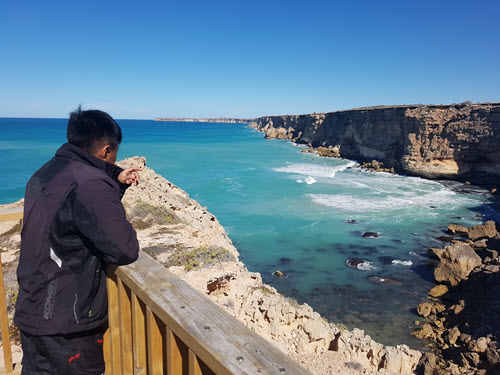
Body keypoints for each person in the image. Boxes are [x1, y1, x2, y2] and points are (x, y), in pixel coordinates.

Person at [14, 107, 141, 374]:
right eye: (113, 153)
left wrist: (114, 181)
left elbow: (74, 212)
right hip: (67, 321)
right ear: (107, 150)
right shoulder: (89, 182)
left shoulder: (47, 171)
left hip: (33, 308)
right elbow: (124, 249)